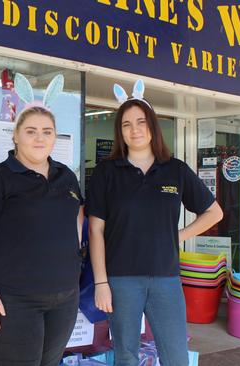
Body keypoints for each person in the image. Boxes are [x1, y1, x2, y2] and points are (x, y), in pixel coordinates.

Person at [86, 80, 223, 366]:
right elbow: (96, 230)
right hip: (121, 279)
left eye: (140, 122)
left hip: (166, 279)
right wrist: (101, 282)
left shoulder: (175, 170)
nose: (134, 129)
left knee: (176, 356)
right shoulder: (106, 172)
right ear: (120, 131)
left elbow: (214, 212)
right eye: (126, 124)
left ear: (152, 126)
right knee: (126, 355)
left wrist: (177, 236)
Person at [0, 74, 84, 366]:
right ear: (15, 135)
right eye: (30, 131)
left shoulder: (66, 176)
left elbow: (76, 218)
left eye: (47, 131)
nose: (39, 138)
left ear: (55, 136)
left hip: (64, 298)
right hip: (14, 302)